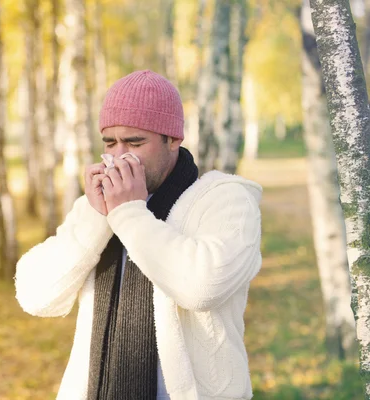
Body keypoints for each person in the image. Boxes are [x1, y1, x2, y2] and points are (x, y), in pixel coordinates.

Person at [15, 70, 262, 400]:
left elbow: (202, 287)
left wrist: (128, 214)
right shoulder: (99, 206)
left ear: (173, 139)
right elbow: (35, 296)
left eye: (134, 142)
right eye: (109, 142)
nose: (119, 157)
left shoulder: (227, 199)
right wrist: (98, 217)